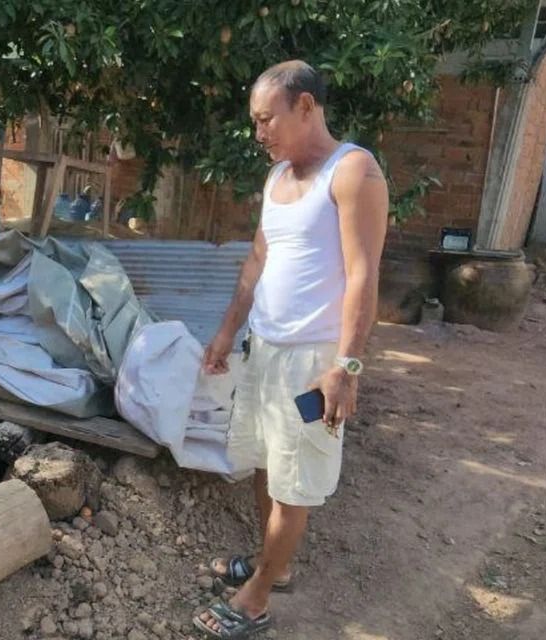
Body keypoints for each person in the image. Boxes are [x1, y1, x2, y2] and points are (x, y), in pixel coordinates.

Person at [193, 60, 389, 638]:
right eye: (254, 123)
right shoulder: (277, 179)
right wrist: (229, 330)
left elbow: (363, 276)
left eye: (265, 120)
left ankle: (254, 599)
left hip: (312, 361)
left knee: (295, 480)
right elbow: (258, 260)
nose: (259, 134)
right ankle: (271, 566)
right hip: (265, 350)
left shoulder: (353, 172)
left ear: (305, 106)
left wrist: (346, 367)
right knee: (267, 465)